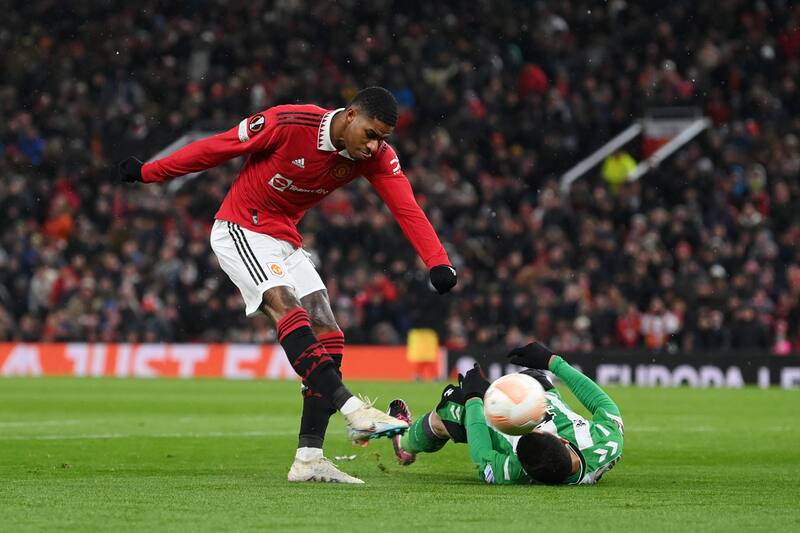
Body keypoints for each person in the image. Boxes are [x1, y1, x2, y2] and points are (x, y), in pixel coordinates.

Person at [118, 87, 458, 484]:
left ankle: (309, 458)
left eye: (382, 138)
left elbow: (406, 206)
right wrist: (148, 172)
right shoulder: (288, 123)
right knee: (285, 304)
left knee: (329, 330)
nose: (374, 145)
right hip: (241, 226)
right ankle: (352, 409)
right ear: (350, 115)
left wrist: (438, 262)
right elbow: (217, 147)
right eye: (369, 133)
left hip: (284, 238)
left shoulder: (378, 157)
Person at [388, 341, 624, 485]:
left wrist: (473, 399)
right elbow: (604, 405)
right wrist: (553, 361)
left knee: (448, 412)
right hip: (540, 397)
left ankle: (405, 445)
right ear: (563, 440)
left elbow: (482, 456)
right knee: (532, 371)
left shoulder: (515, 471)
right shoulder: (607, 442)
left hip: (495, 422)